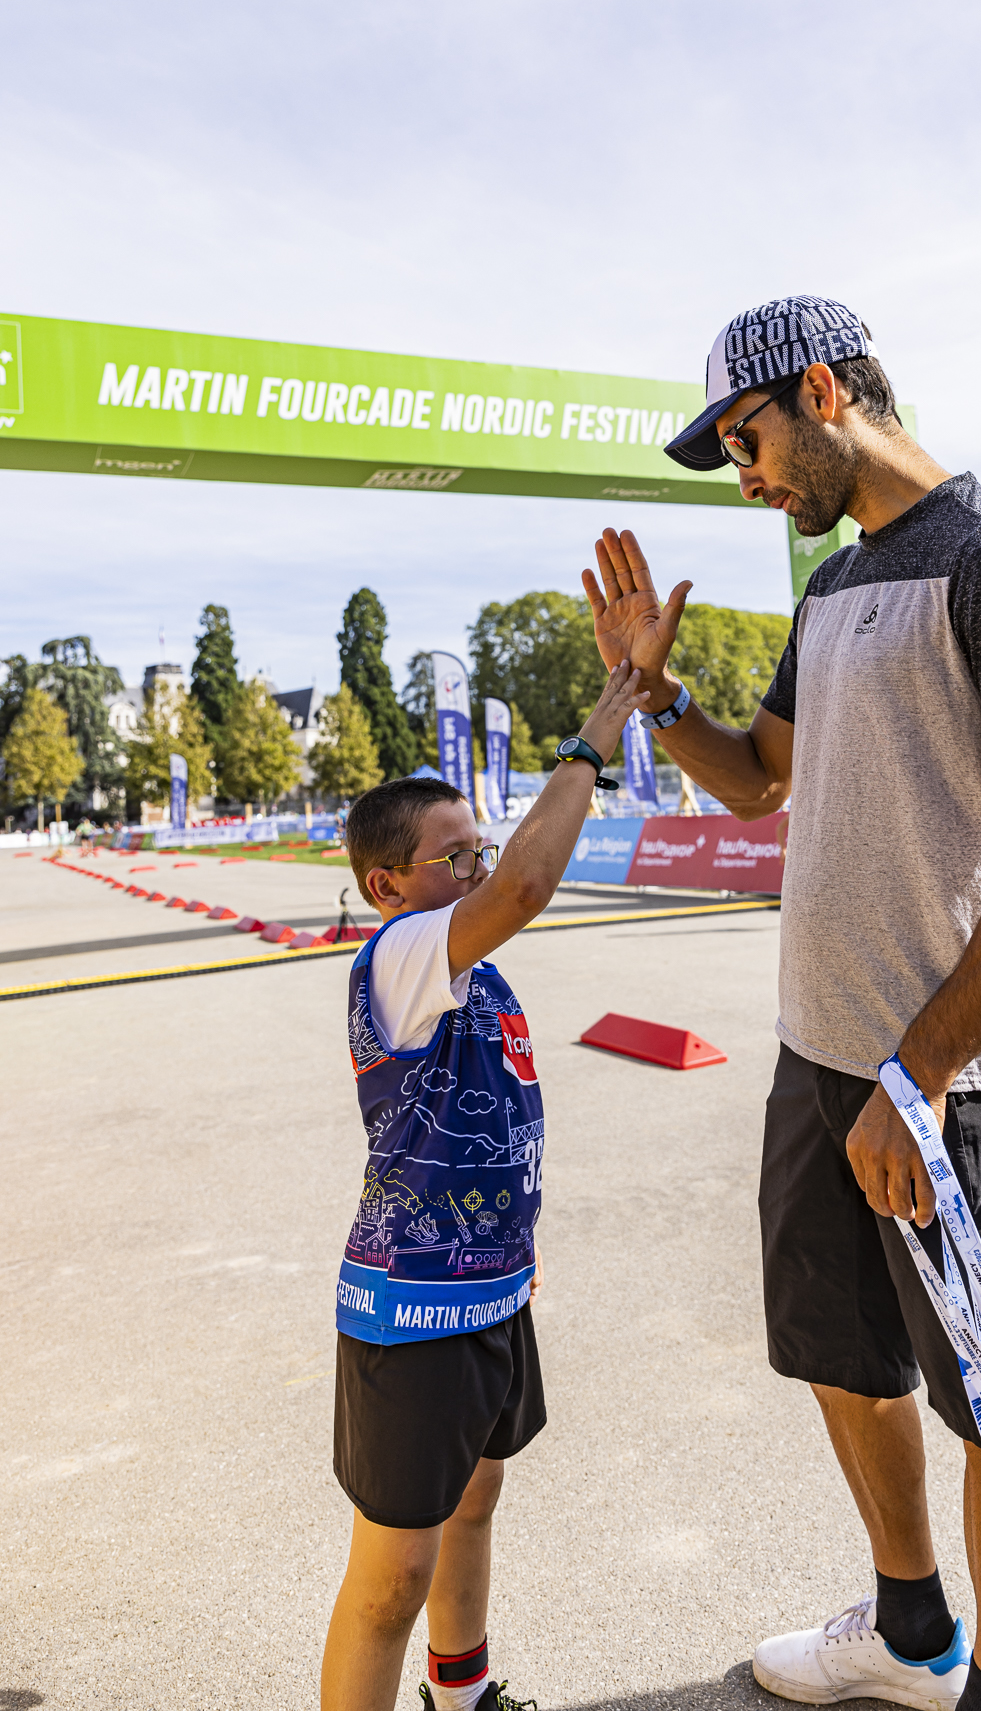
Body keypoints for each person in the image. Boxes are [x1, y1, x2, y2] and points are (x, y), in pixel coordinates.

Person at [581, 297, 981, 1711]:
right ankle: (910, 1629)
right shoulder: (829, 590)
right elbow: (760, 779)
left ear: (819, 393)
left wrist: (919, 1076)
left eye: (743, 441)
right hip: (820, 1061)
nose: (745, 477)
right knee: (839, 1356)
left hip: (954, 1088)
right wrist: (648, 689)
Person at [320, 660, 649, 1711]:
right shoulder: (400, 953)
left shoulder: (474, 969)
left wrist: (515, 1245)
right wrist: (598, 729)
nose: (476, 866)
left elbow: (496, 1127)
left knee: (476, 1497)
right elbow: (525, 888)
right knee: (392, 1576)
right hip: (408, 1306)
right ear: (388, 884)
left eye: (478, 846)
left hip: (491, 1287)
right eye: (450, 854)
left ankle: (460, 1694)